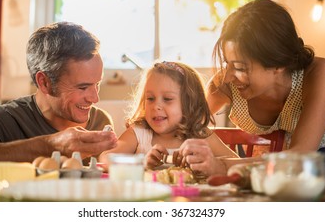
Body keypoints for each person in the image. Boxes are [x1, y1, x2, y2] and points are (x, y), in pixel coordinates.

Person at [177, 0, 325, 177]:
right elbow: (188, 126)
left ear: (279, 63)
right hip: (255, 164)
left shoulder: (318, 72)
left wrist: (223, 165)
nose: (228, 76)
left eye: (239, 67)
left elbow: (300, 156)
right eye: (226, 63)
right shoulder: (224, 85)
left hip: (312, 166)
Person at [0, 22, 117, 178]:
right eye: (82, 87)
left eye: (97, 84)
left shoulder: (99, 121)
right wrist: (50, 145)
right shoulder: (7, 120)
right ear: (44, 82)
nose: (95, 98)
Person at [98, 61, 238, 170]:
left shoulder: (201, 136)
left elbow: (237, 163)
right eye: (150, 99)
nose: (156, 106)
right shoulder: (139, 133)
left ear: (189, 104)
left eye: (167, 99)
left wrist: (208, 163)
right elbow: (105, 158)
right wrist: (141, 163)